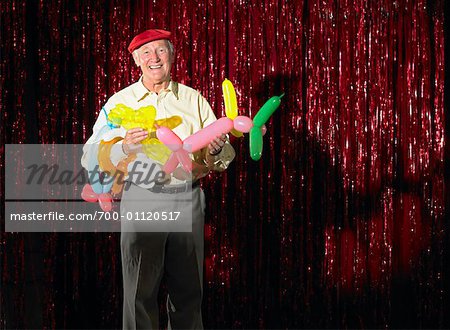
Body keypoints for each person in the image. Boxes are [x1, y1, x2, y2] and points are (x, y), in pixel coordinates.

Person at [82, 29, 235, 329]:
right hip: (142, 195)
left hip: (186, 196)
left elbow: (222, 155)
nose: (154, 58)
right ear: (137, 60)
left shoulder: (193, 99)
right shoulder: (119, 102)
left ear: (172, 55)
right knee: (139, 291)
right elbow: (90, 154)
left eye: (161, 51)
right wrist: (122, 147)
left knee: (189, 291)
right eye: (147, 53)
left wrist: (217, 150)